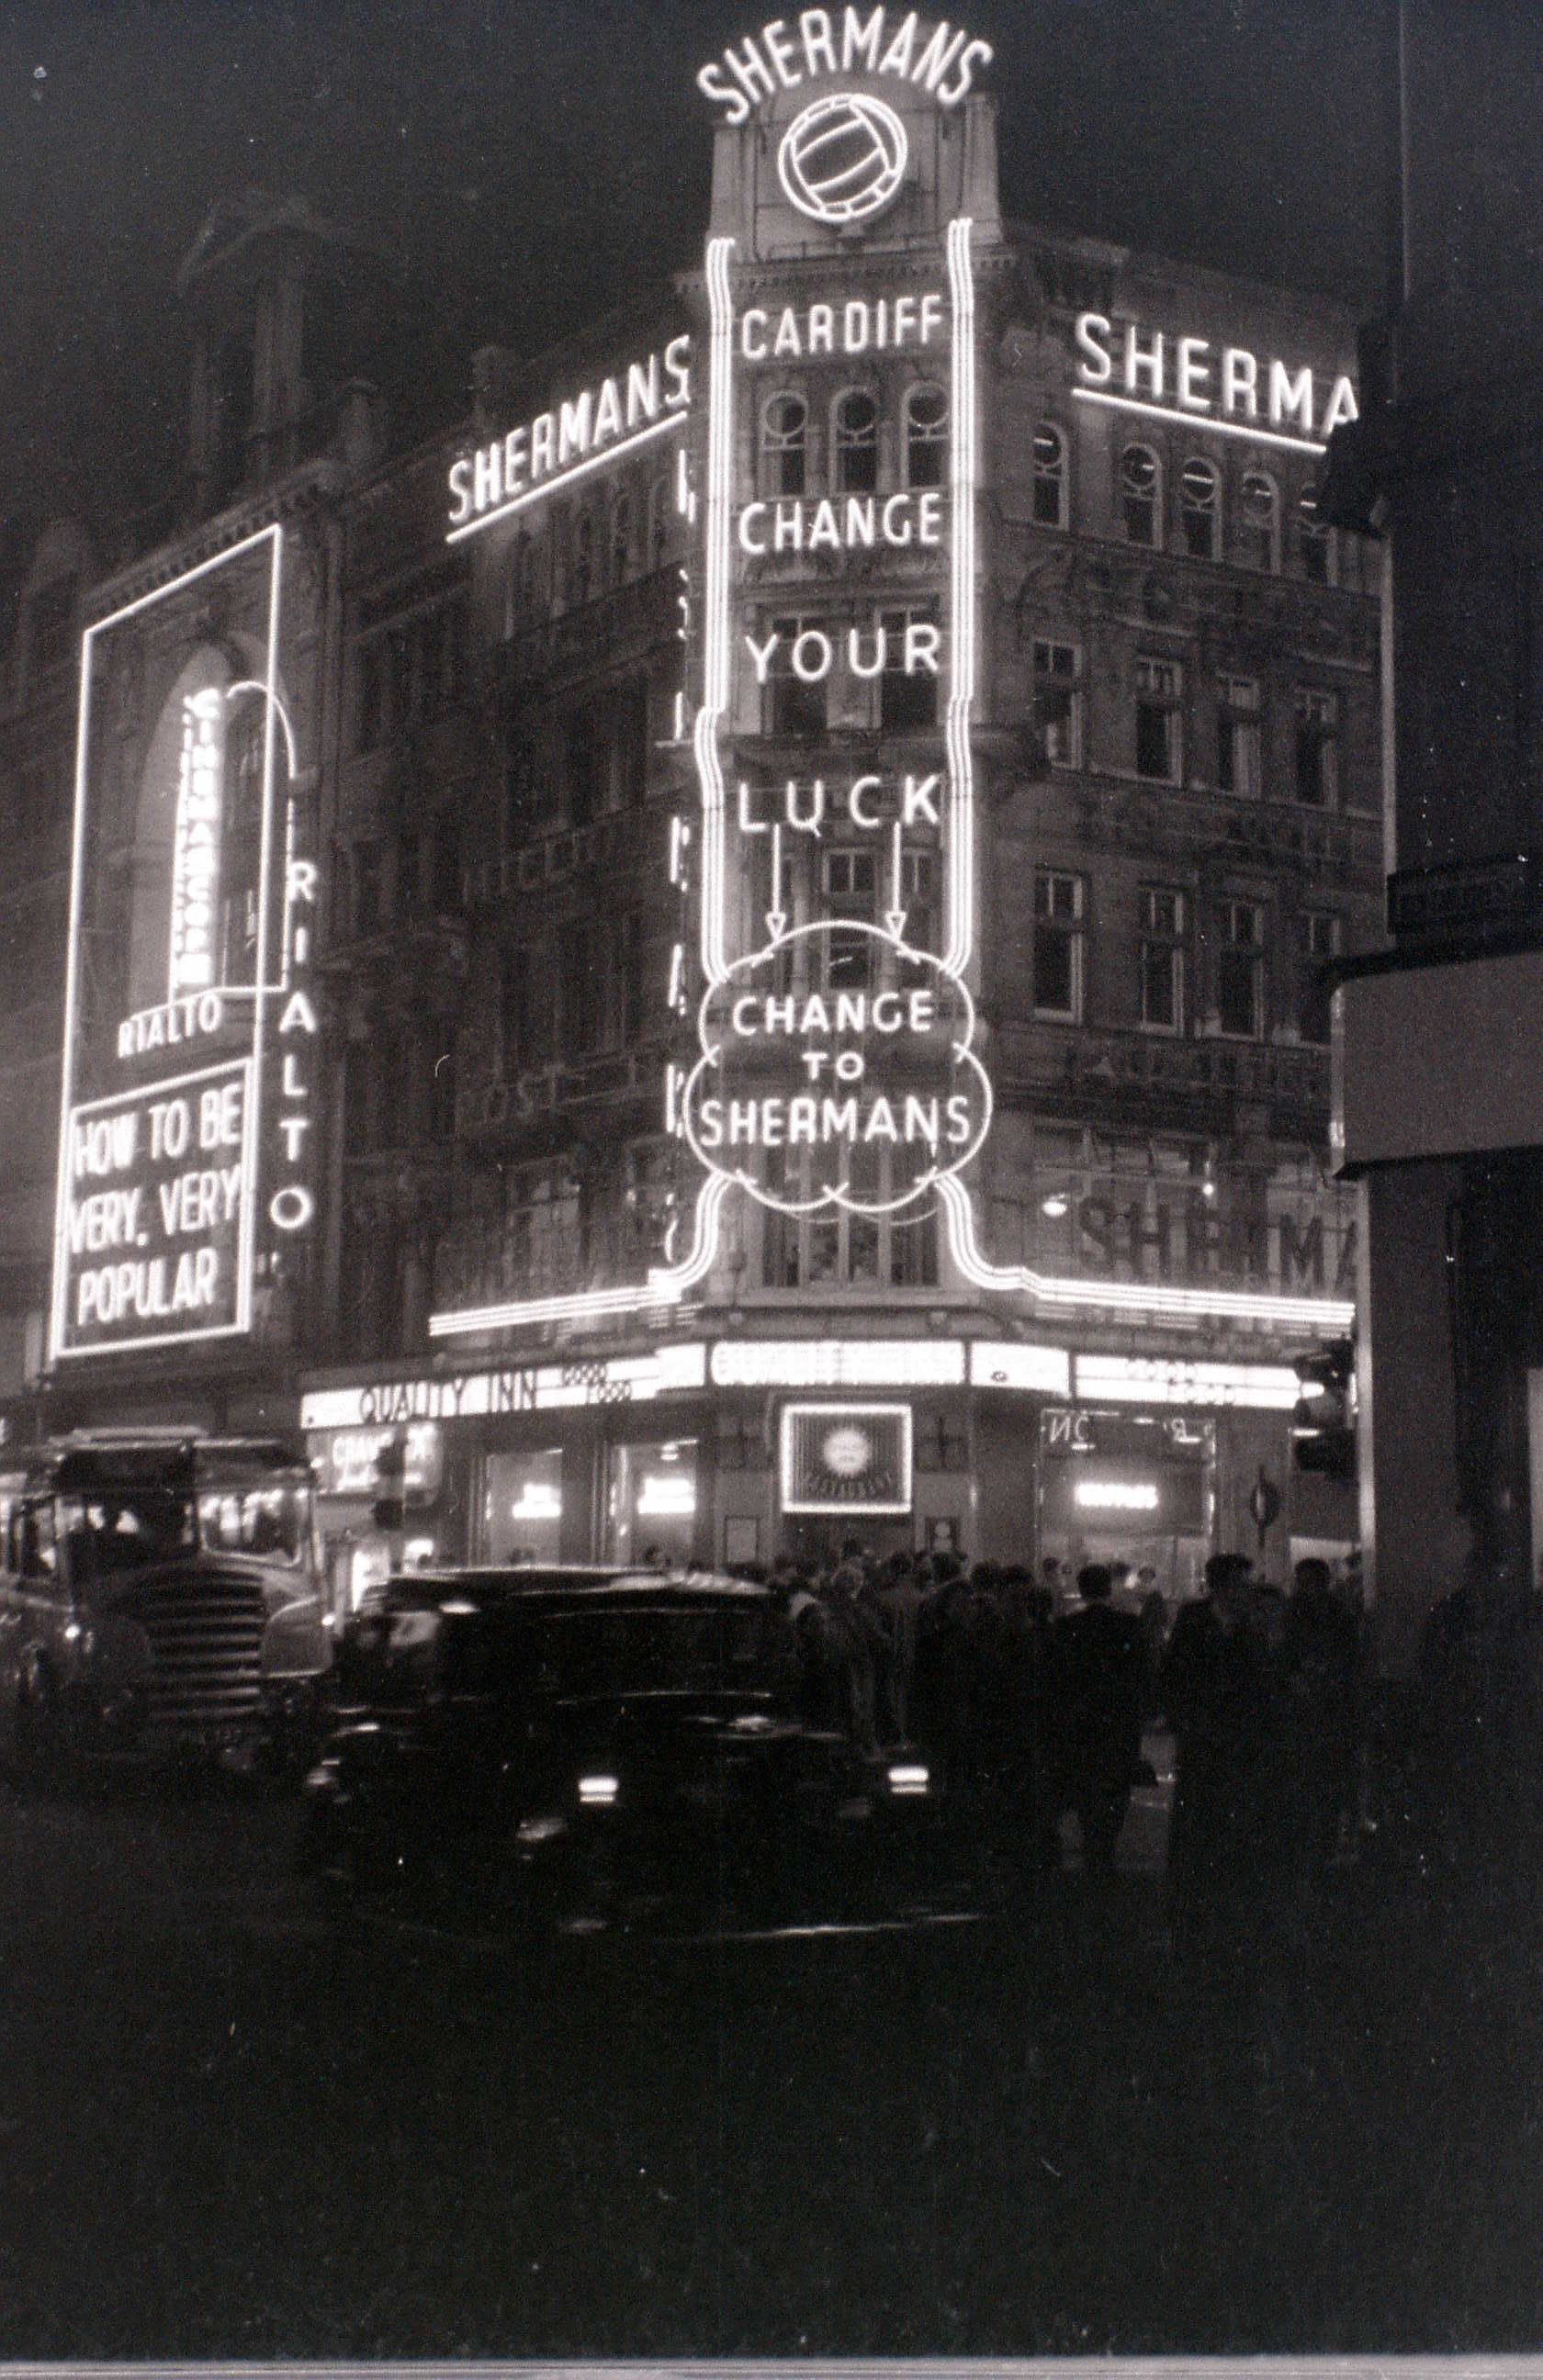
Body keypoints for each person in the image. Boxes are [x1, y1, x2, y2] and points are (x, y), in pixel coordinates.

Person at [1162, 1550, 1273, 1919]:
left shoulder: (1251, 1622)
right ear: (1224, 1586)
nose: (1248, 1590)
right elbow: (1176, 1671)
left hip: (1240, 1732)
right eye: (1242, 1583)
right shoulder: (1193, 1619)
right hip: (1203, 1732)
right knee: (1199, 1804)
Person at [1053, 1561, 1147, 1873]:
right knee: (1116, 1785)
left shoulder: (1065, 1628)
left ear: (1080, 1589)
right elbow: (1140, 1674)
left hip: (1079, 1722)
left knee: (1084, 1783)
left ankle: (1093, 1840)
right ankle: (1104, 1843)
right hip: (1117, 1721)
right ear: (1108, 1589)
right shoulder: (1129, 1625)